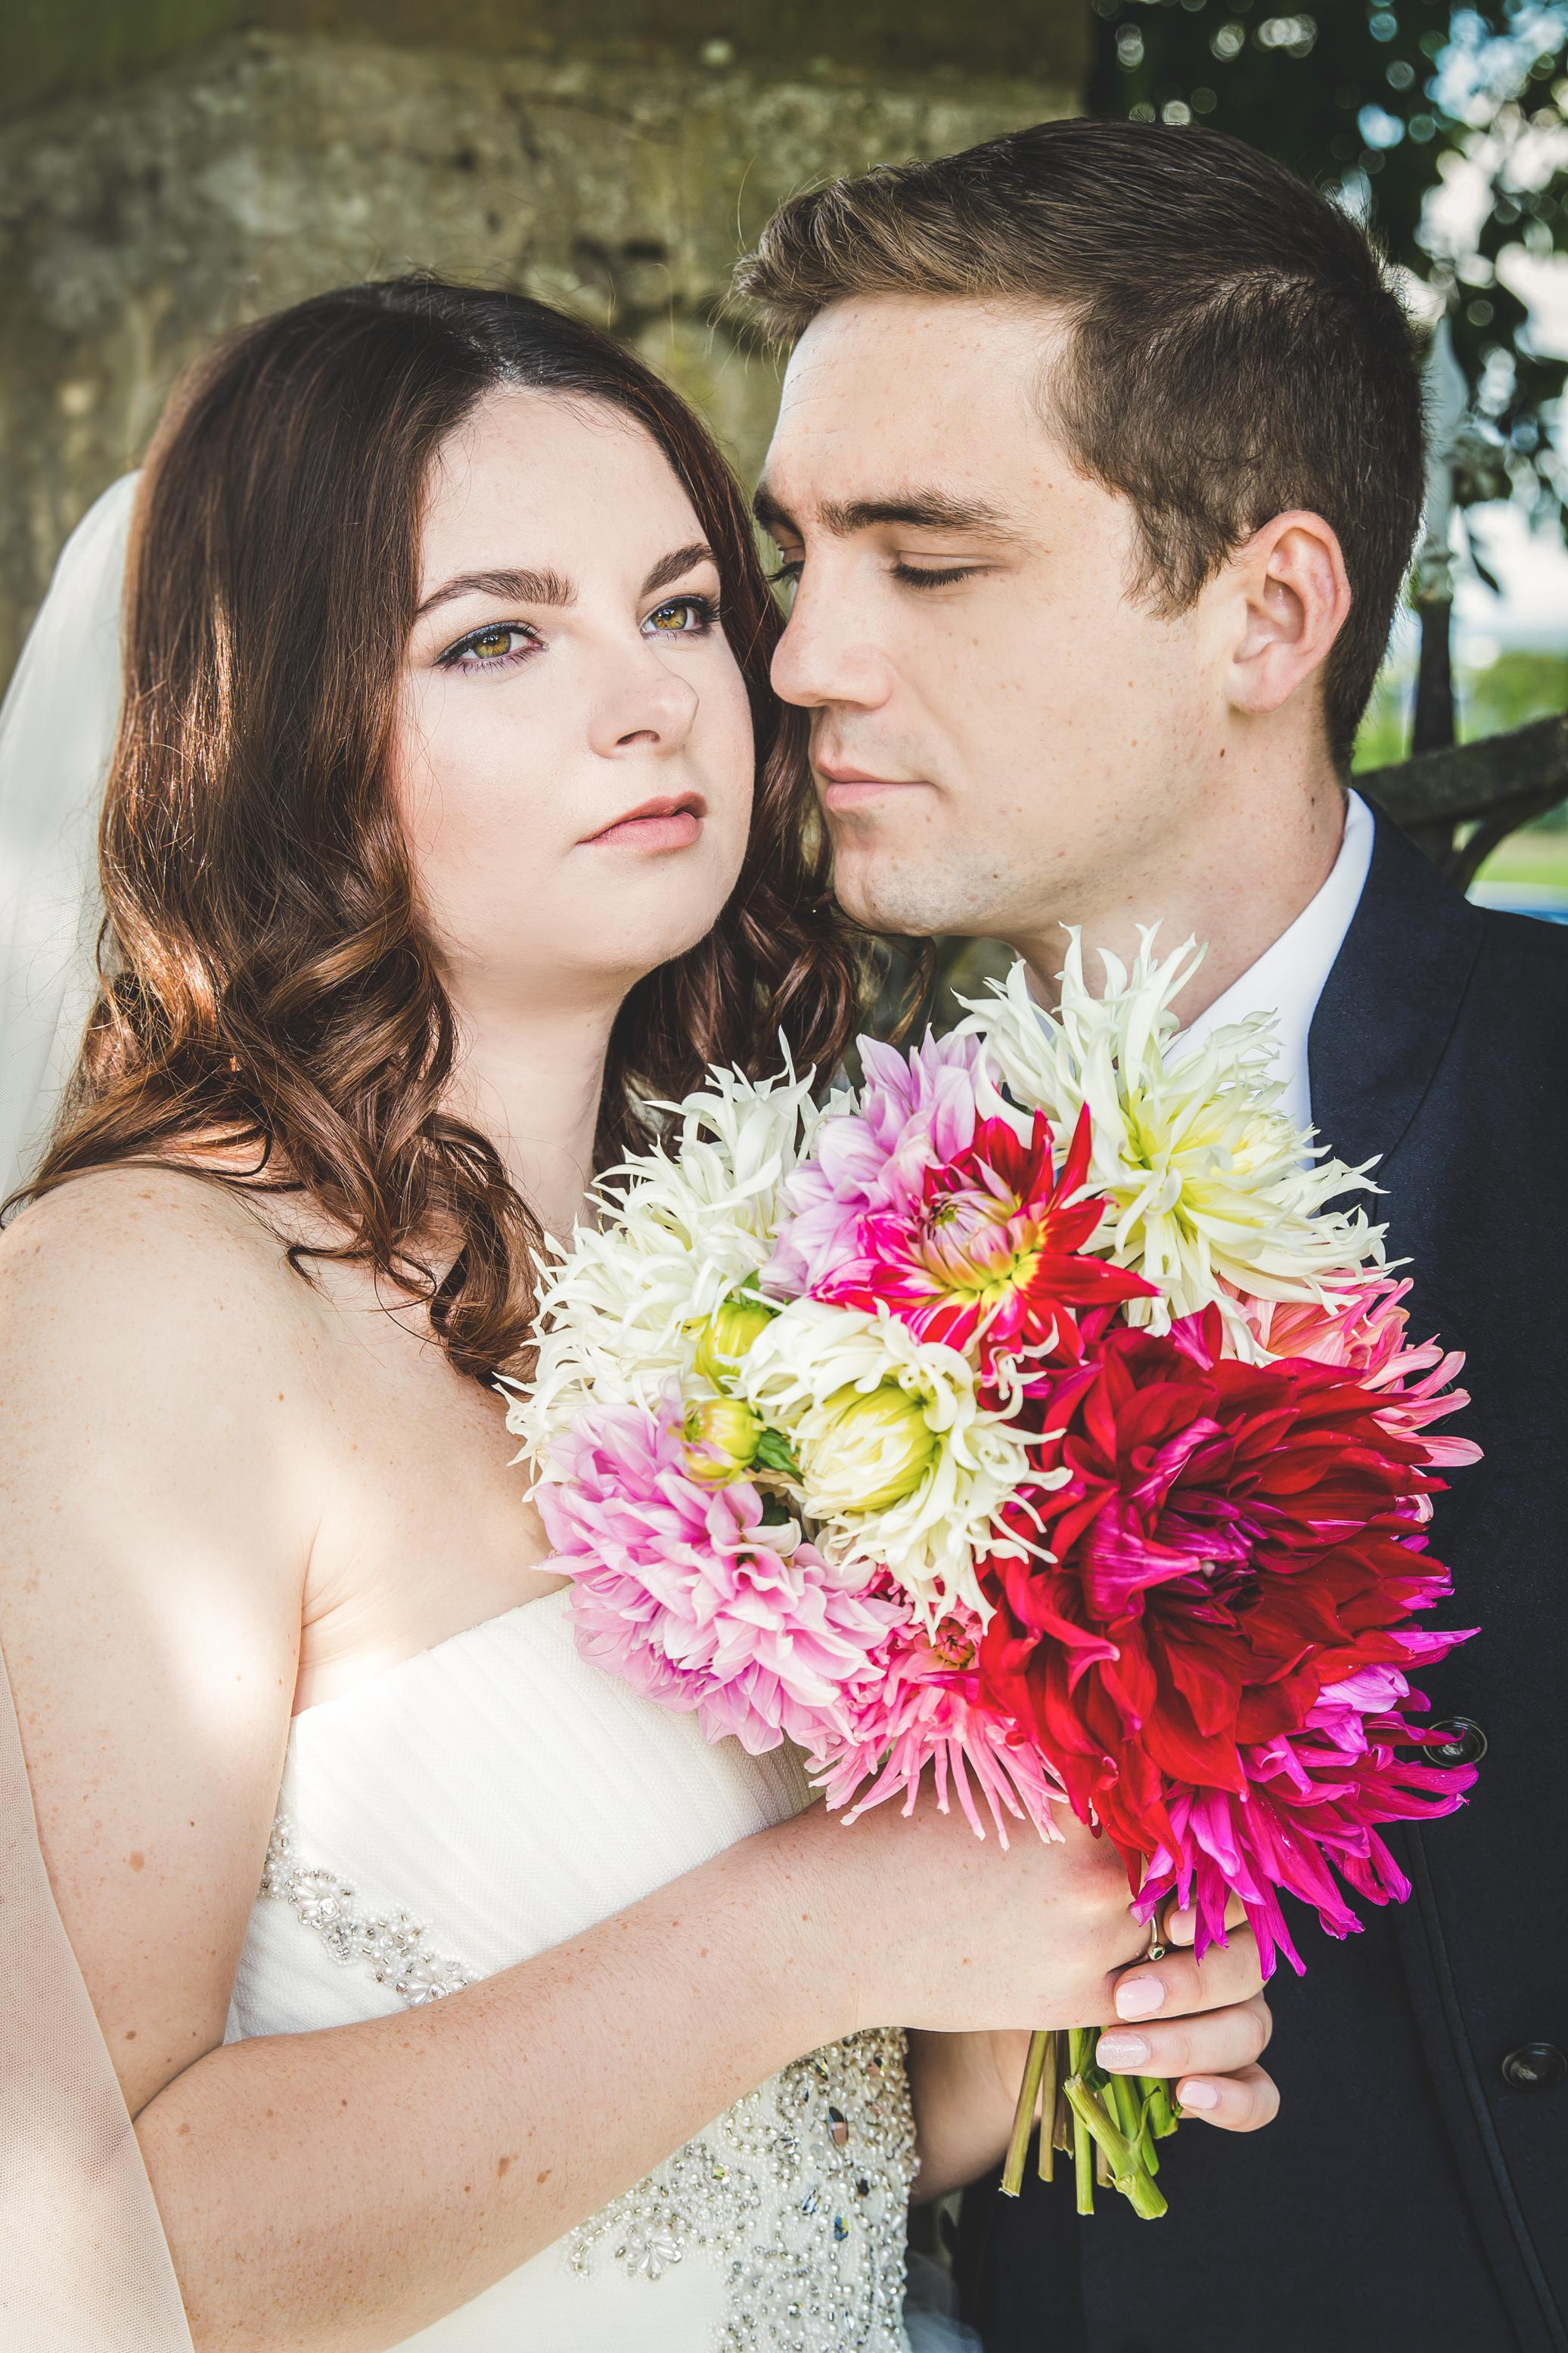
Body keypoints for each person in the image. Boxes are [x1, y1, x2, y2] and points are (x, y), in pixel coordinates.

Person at [0, 276, 1276, 2353]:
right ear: (280, 724)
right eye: (496, 635)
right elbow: (81, 2238)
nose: (652, 702)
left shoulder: (810, 1307)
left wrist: (1062, 1971)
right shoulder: (143, 1306)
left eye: (684, 608)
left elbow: (823, 2149)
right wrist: (810, 1927)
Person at [737, 115, 1568, 2353]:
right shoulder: (747, 1211)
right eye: (794, 556)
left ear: (1267, 612)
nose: (803, 658)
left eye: (925, 561)